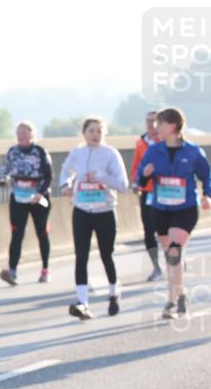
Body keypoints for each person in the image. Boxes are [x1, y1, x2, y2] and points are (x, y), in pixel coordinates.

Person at [136, 107, 211, 319]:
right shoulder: (153, 151)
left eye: (160, 123)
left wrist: (207, 195)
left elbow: (206, 175)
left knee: (175, 251)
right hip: (161, 209)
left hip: (185, 208)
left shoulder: (193, 151)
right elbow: (140, 181)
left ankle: (171, 300)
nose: (155, 127)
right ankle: (180, 293)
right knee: (171, 255)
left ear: (173, 126)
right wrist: (145, 174)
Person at [59, 117, 129, 320]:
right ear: (84, 133)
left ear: (104, 134)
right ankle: (83, 303)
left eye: (99, 131)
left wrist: (101, 176)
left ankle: (113, 293)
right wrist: (65, 184)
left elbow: (123, 184)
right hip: (81, 209)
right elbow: (66, 170)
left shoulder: (111, 154)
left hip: (105, 210)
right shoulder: (77, 153)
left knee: (107, 255)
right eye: (91, 131)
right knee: (81, 256)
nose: (95, 134)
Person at [0, 122, 53, 284]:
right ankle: (12, 271)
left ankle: (45, 269)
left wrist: (39, 193)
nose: (21, 136)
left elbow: (49, 176)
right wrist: (3, 179)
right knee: (17, 233)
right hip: (18, 197)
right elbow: (5, 169)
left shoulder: (40, 152)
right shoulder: (13, 152)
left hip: (39, 197)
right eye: (19, 133)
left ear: (32, 134)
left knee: (42, 232)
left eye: (25, 132)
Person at [130, 110, 163, 282]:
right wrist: (136, 182)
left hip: (165, 192)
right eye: (148, 120)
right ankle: (156, 267)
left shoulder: (166, 142)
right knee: (149, 231)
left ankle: (178, 258)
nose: (151, 124)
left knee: (168, 230)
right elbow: (136, 166)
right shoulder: (140, 144)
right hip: (147, 193)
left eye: (154, 121)